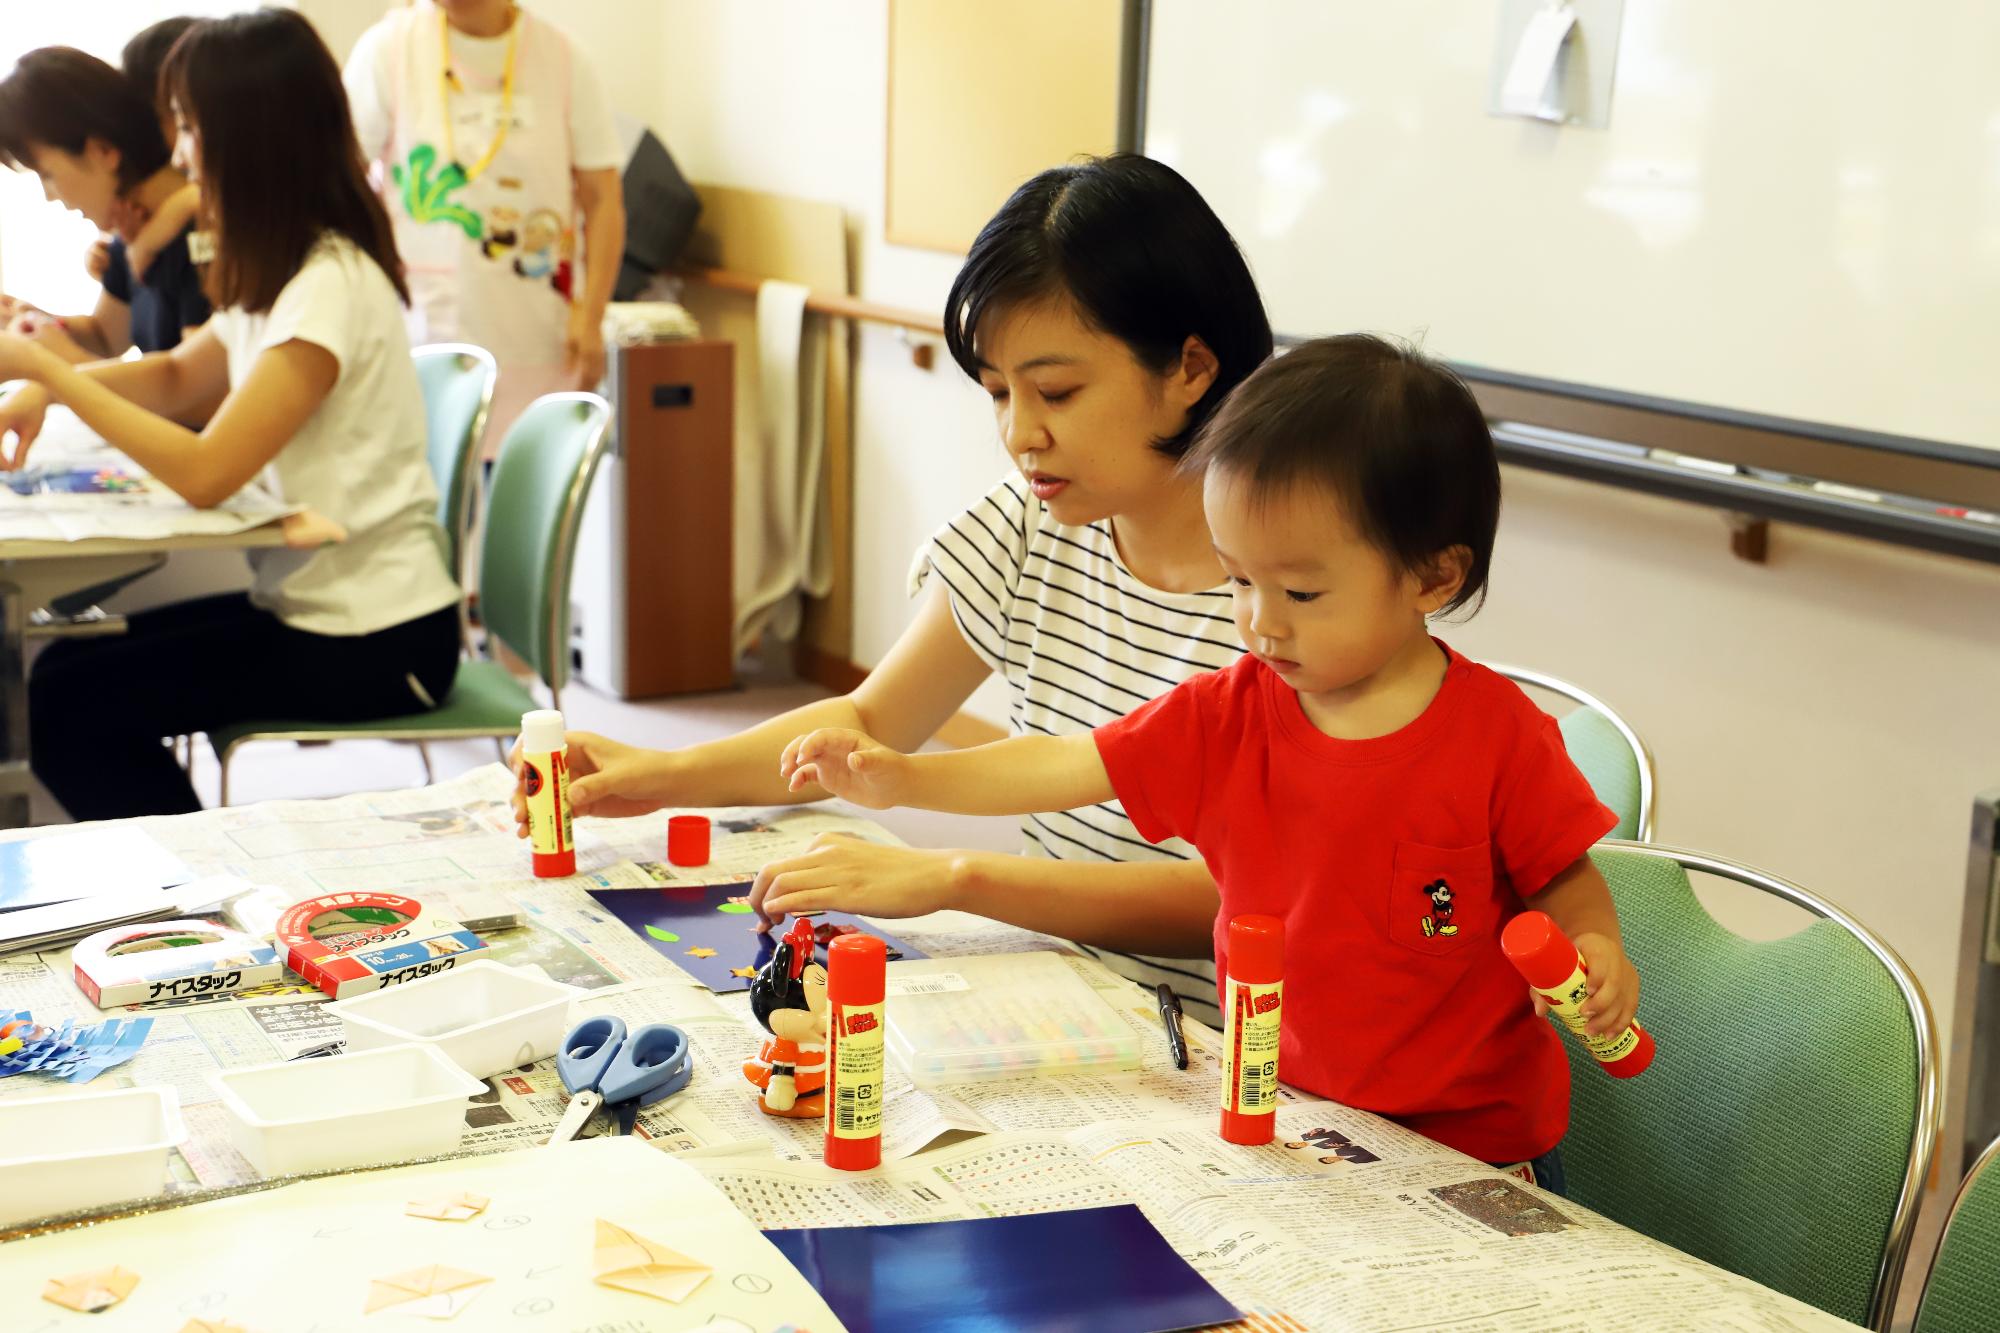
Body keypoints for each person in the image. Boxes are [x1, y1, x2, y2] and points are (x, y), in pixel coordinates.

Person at [776, 335, 1643, 1185]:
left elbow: (1563, 882)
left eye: (1300, 592)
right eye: (1236, 580)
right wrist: (901, 775)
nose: (1262, 620)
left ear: (1432, 577)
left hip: (1474, 1149)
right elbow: (1063, 765)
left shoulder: (1501, 735)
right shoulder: (1231, 709)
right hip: (1283, 1110)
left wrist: (1595, 946)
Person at [513, 155, 1272, 1027]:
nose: (1021, 434)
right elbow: (868, 727)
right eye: (997, 393)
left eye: (1056, 391)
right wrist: (665, 772)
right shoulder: (1033, 524)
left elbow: (1238, 896)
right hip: (1067, 990)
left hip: (1232, 1037)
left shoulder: (1290, 589)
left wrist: (956, 876)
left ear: (1190, 367)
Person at [0, 9, 461, 820]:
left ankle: (194, 897)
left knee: (71, 709)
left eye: (187, 126)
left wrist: (49, 370)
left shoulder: (331, 282)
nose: (176, 150)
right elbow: (178, 375)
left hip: (382, 639)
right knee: (60, 677)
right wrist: (46, 384)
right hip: (312, 607)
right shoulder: (280, 271)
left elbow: (211, 472)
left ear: (247, 135)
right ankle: (183, 885)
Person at [343, 0, 626, 439]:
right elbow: (340, 183)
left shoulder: (564, 60)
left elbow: (603, 199)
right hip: (419, 331)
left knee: (522, 485)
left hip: (536, 333)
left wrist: (592, 319)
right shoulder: (388, 50)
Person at [0, 43, 210, 368]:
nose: (50, 196)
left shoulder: (203, 230)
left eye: (48, 175)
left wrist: (63, 366)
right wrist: (36, 320)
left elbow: (192, 395)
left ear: (102, 150)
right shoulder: (129, 228)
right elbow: (105, 338)